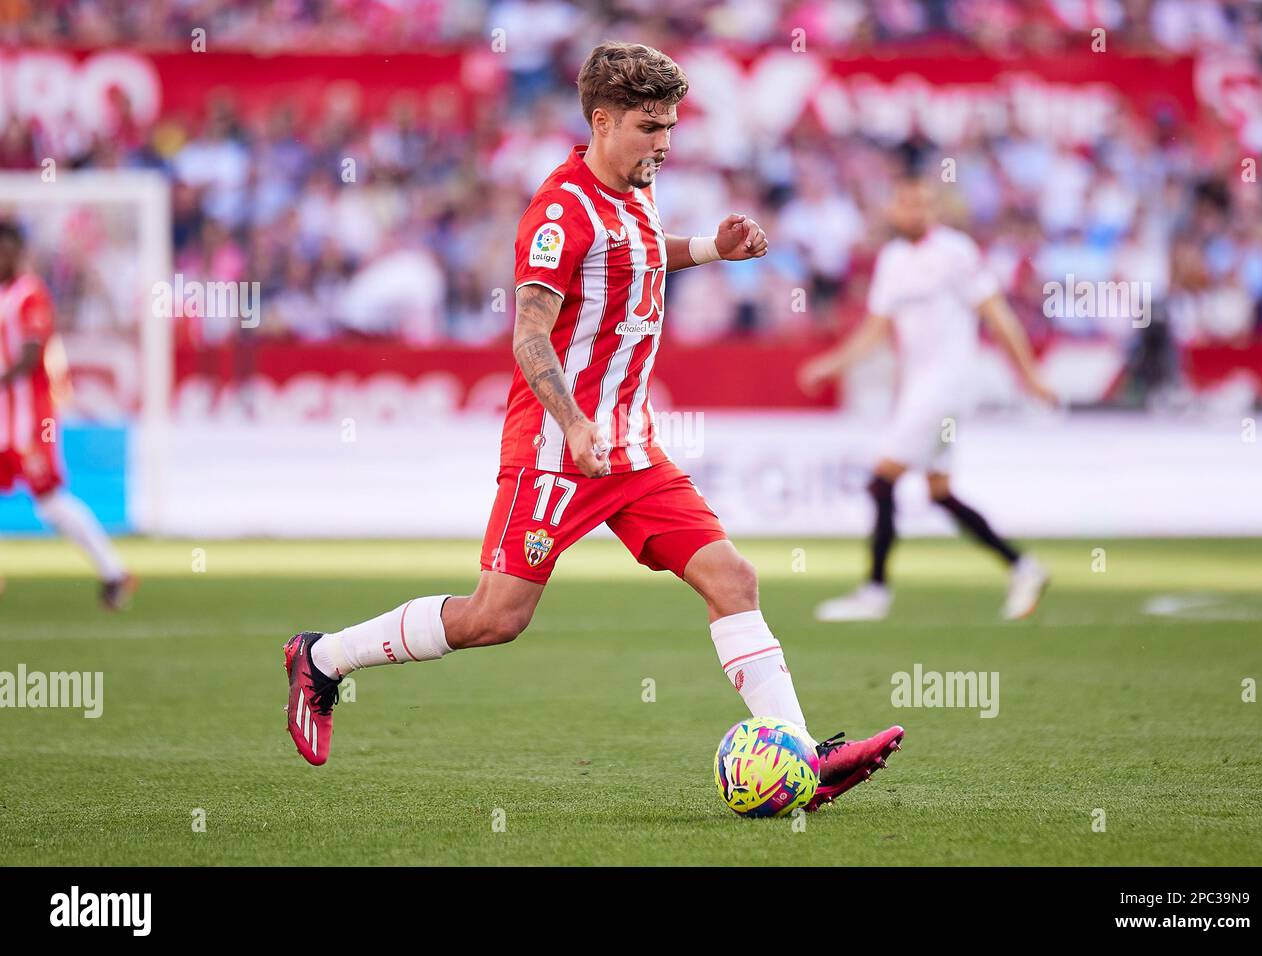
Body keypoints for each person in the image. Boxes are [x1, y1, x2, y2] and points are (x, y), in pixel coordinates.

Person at [283, 42, 903, 810]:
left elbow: (637, 255)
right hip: (557, 448)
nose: (665, 141)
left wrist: (714, 248)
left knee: (732, 578)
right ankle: (323, 658)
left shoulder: (636, 186)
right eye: (650, 126)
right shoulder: (558, 211)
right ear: (602, 122)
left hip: (632, 448)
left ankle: (802, 763)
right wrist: (572, 421)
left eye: (671, 125)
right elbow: (529, 336)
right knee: (494, 617)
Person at [799, 178, 1055, 622]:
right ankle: (1024, 567)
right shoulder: (893, 259)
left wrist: (1030, 377)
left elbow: (998, 316)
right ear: (893, 209)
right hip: (917, 387)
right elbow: (876, 327)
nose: (914, 211)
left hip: (949, 385)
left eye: (922, 204)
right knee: (939, 493)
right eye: (905, 203)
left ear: (934, 209)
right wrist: (833, 364)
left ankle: (874, 592)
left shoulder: (955, 253)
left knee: (882, 479)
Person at [0, 221, 136, 609]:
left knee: (49, 501)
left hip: (28, 419)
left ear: (16, 252)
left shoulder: (30, 295)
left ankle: (114, 572)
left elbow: (29, 355)